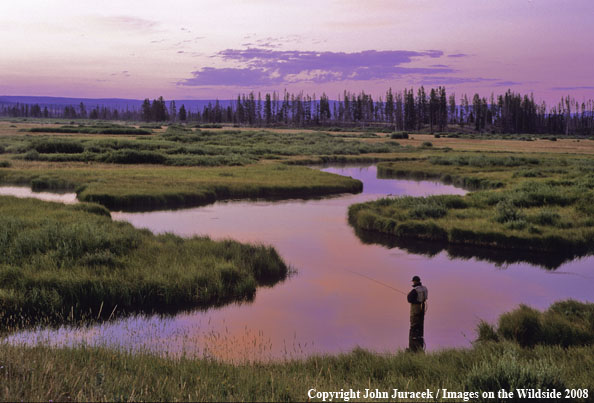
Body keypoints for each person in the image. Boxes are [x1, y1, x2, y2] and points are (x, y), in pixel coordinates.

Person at [407, 275, 428, 352]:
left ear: (415, 281)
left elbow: (409, 299)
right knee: (420, 325)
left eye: (413, 281)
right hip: (422, 308)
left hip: (415, 309)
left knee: (413, 325)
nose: (413, 282)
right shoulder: (424, 289)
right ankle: (418, 340)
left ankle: (413, 346)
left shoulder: (415, 290)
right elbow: (425, 298)